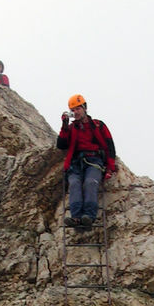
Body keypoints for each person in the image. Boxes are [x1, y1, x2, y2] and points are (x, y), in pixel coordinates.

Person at [57, 94, 116, 227]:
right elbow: (61, 144)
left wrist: (110, 167)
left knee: (90, 182)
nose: (76, 112)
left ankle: (89, 216)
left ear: (84, 108)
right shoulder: (71, 128)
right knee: (74, 183)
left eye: (78, 109)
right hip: (76, 162)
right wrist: (64, 126)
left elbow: (109, 146)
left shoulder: (98, 125)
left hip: (94, 160)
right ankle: (76, 217)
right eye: (73, 110)